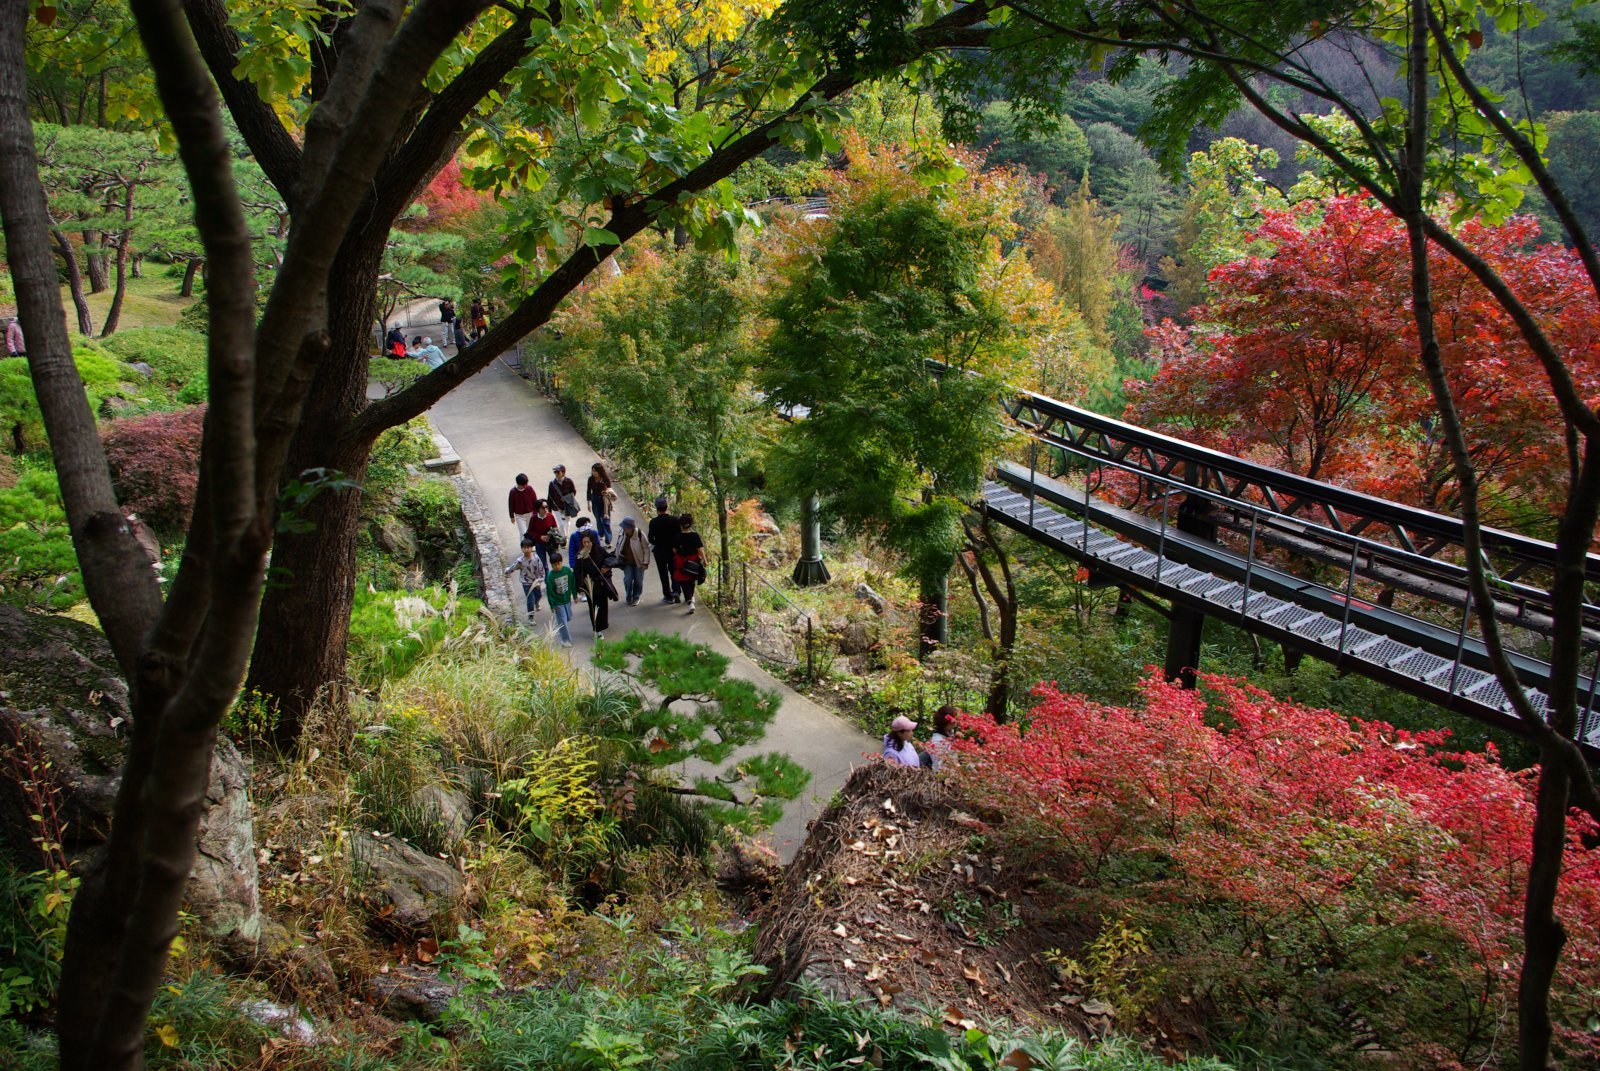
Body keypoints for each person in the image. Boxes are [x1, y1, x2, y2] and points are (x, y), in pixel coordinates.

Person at [573, 530, 615, 638]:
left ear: (593, 541)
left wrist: (606, 567)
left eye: (588, 542)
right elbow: (577, 571)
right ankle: (597, 629)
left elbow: (610, 558)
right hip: (589, 584)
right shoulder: (580, 555)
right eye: (584, 542)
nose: (586, 544)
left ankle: (603, 624)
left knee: (603, 605)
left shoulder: (599, 550)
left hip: (600, 583)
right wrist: (580, 587)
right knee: (593, 607)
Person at [504, 537, 547, 623]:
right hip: (526, 582)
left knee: (538, 595)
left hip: (536, 581)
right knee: (530, 600)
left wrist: (540, 579)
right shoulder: (520, 561)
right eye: (524, 547)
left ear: (531, 548)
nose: (526, 549)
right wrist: (507, 571)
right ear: (522, 549)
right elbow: (514, 567)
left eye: (528, 547)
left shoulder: (536, 558)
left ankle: (537, 603)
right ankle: (531, 617)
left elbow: (541, 569)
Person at [647, 496, 679, 603]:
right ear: (667, 507)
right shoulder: (675, 520)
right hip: (673, 550)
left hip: (660, 551)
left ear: (657, 508)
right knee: (674, 571)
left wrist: (657, 544)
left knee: (663, 573)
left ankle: (668, 596)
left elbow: (650, 538)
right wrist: (675, 546)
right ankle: (676, 591)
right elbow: (678, 535)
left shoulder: (653, 522)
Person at [671, 512, 705, 614]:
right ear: (691, 524)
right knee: (691, 579)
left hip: (681, 561)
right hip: (693, 561)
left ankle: (690, 600)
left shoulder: (677, 536)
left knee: (683, 581)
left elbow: (674, 550)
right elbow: (700, 549)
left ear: (680, 524)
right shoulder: (695, 536)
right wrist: (705, 560)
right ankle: (690, 598)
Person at [615, 517, 651, 606]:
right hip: (627, 562)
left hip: (639, 562)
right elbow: (618, 546)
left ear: (631, 528)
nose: (623, 529)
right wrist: (617, 558)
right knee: (628, 579)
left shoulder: (639, 534)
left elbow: (646, 549)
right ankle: (629, 596)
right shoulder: (622, 533)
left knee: (638, 580)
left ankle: (636, 597)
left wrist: (645, 562)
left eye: (625, 527)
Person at [545, 550, 575, 647]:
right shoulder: (550, 576)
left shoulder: (567, 571)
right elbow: (550, 592)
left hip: (566, 599)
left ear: (562, 562)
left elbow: (572, 583)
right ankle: (565, 640)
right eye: (554, 565)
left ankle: (565, 636)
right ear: (551, 565)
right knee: (562, 621)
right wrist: (552, 605)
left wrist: (574, 595)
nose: (557, 566)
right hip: (558, 602)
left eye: (559, 564)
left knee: (567, 618)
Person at [587, 462, 616, 545]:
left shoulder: (606, 479)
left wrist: (608, 495)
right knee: (598, 519)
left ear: (600, 471)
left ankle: (608, 540)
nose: (593, 473)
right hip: (595, 500)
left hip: (605, 501)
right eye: (592, 471)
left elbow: (610, 490)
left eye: (595, 471)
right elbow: (588, 491)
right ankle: (601, 533)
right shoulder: (591, 479)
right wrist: (589, 502)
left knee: (606, 520)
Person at [547, 465, 579, 536]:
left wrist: (566, 498)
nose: (556, 474)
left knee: (567, 522)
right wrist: (549, 511)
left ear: (563, 472)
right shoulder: (552, 484)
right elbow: (550, 497)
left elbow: (573, 492)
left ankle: (566, 536)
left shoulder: (569, 481)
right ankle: (564, 539)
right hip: (556, 507)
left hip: (567, 506)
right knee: (561, 524)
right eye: (555, 472)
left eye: (558, 472)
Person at [529, 498, 560, 569]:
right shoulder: (534, 518)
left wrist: (550, 535)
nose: (545, 509)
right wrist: (540, 537)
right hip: (539, 543)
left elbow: (555, 528)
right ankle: (546, 578)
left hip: (550, 543)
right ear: (538, 509)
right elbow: (530, 531)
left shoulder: (550, 516)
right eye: (543, 507)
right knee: (543, 564)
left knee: (555, 561)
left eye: (547, 507)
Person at [925, 705, 957, 770]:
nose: (956, 721)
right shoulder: (937, 741)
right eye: (953, 719)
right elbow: (939, 767)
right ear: (946, 722)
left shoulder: (949, 734)